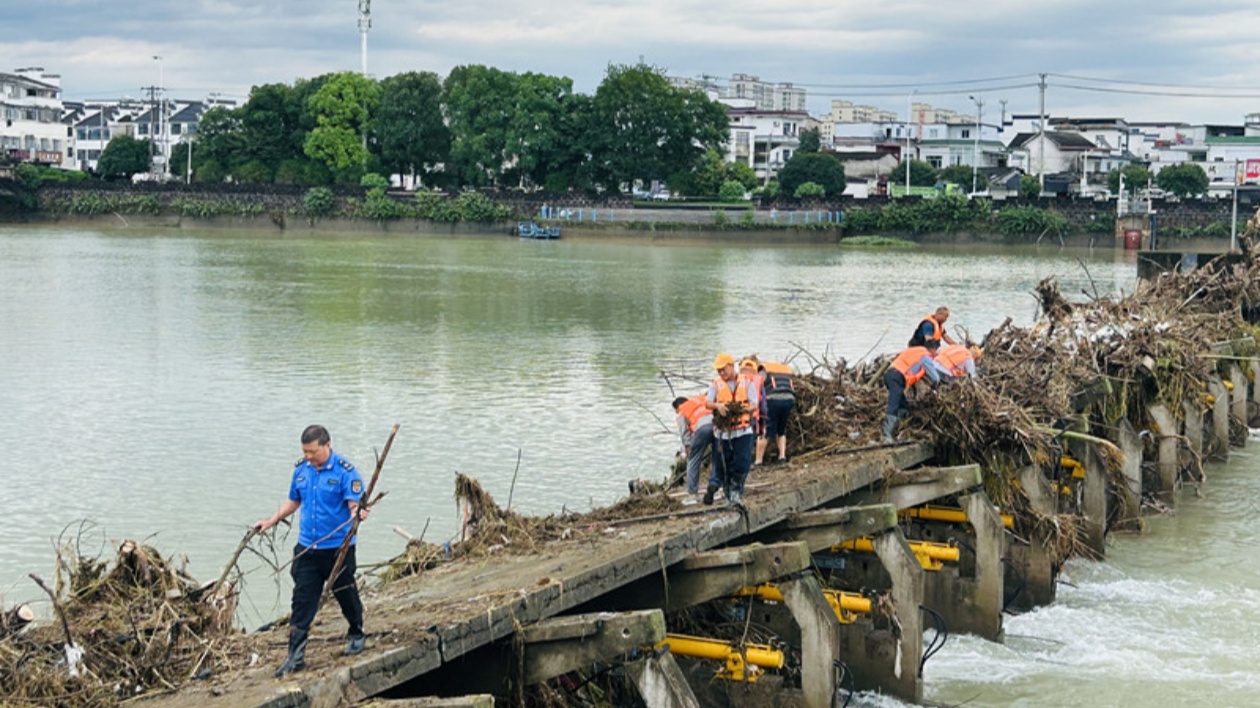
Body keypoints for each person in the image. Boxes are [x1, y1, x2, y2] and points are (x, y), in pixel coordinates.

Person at [254, 425, 370, 678]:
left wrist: (358, 514)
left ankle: (356, 632)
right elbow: (294, 501)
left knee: (345, 593)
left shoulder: (345, 472)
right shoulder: (301, 470)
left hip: (337, 548)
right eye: (305, 452)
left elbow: (354, 504)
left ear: (327, 445)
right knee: (302, 600)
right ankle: (295, 657)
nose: (309, 456)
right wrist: (271, 520)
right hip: (307, 548)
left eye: (313, 452)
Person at [704, 353, 759, 507]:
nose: (721, 373)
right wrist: (718, 406)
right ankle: (727, 492)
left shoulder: (747, 383)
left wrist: (742, 410)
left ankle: (735, 490)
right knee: (723, 462)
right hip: (723, 432)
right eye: (718, 370)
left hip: (743, 431)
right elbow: (708, 403)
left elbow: (754, 404)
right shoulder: (715, 384)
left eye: (723, 369)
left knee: (742, 462)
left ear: (731, 366)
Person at [883, 341, 954, 443]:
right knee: (894, 403)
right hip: (897, 377)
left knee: (903, 406)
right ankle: (886, 436)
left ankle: (897, 431)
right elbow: (936, 378)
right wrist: (935, 388)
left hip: (890, 375)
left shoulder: (916, 351)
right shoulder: (925, 356)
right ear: (934, 349)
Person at [672, 394, 714, 505]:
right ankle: (719, 489)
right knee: (718, 458)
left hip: (702, 429)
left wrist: (687, 447)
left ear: (678, 407)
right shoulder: (700, 400)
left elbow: (685, 433)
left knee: (693, 461)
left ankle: (692, 495)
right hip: (718, 425)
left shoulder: (682, 410)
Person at [760, 361, 796, 464]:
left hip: (773, 400)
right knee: (781, 430)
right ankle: (782, 457)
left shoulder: (764, 370)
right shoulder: (785, 370)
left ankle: (758, 461)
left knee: (764, 431)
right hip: (789, 400)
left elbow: (758, 386)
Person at [739, 357, 769, 466]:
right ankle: (751, 461)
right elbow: (763, 400)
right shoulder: (757, 380)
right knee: (751, 439)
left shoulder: (737, 379)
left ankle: (741, 461)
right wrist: (764, 416)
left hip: (738, 415)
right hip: (754, 415)